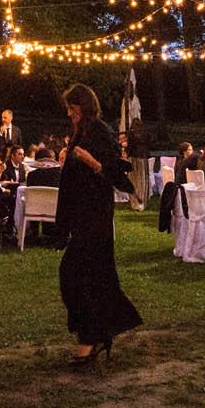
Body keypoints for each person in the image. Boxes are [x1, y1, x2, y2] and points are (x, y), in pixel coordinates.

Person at [56, 84, 141, 364]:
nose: (69, 113)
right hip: (81, 216)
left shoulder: (101, 132)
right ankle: (97, 335)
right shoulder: (80, 132)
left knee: (78, 275)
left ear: (84, 106)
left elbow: (117, 175)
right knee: (87, 277)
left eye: (73, 108)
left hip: (96, 217)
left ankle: (90, 338)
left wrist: (93, 163)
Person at [159, 142, 197, 233]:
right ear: (185, 152)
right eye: (190, 150)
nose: (192, 152)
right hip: (184, 190)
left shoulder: (179, 161)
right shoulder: (186, 163)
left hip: (177, 190)